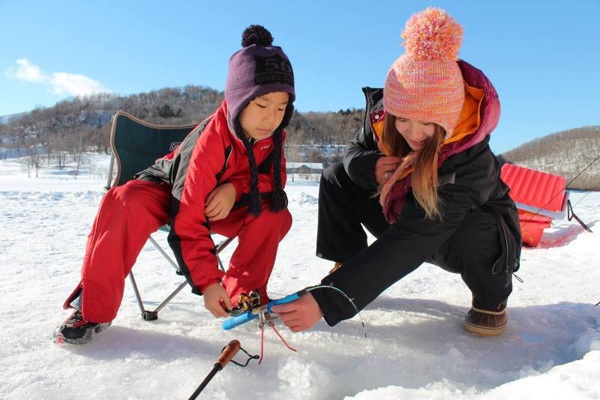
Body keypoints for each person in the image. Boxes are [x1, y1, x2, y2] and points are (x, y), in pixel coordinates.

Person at [274, 7, 522, 336]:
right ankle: (349, 262)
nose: (414, 134)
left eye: (428, 124)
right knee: (337, 176)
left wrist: (329, 300)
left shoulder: (470, 159)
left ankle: (492, 296)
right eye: (403, 119)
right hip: (406, 218)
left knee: (476, 230)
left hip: (458, 237)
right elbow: (352, 153)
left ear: (447, 117)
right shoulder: (384, 119)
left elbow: (416, 236)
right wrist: (369, 166)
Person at [54, 25, 296, 344]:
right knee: (123, 199)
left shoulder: (273, 137)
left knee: (275, 214)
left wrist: (236, 188)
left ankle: (244, 297)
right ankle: (93, 309)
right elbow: (187, 219)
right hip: (168, 191)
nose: (271, 119)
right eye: (262, 106)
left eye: (281, 108)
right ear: (239, 101)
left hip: (219, 203)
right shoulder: (209, 142)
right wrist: (209, 282)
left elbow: (274, 182)